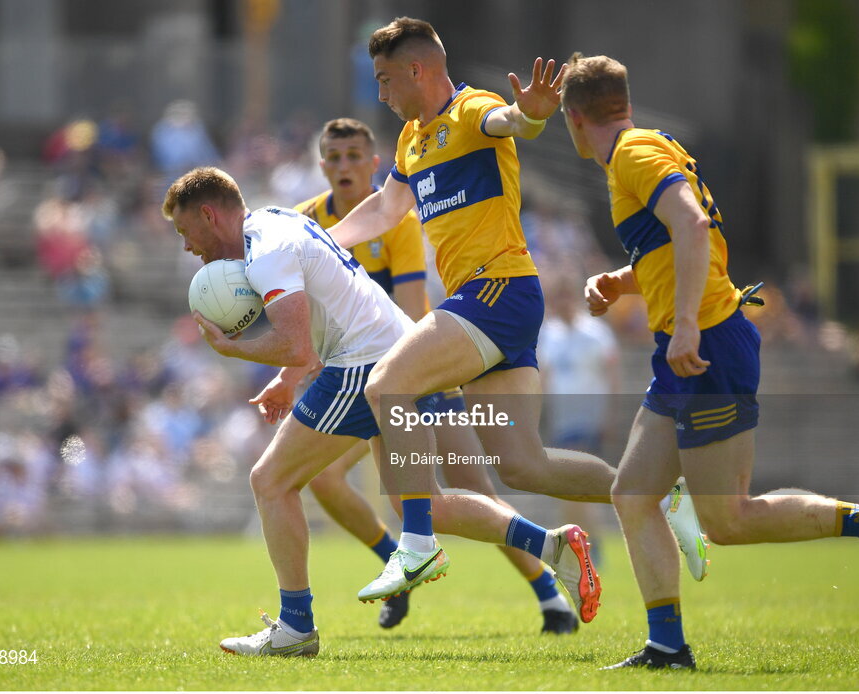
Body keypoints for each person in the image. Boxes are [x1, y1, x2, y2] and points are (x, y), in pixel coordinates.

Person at [558, 53, 859, 670]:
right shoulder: (646, 144)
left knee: (729, 519)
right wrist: (621, 283)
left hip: (703, 344)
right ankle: (667, 646)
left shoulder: (631, 155)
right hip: (684, 346)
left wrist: (681, 325)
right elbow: (671, 243)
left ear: (574, 117)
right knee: (632, 492)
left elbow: (694, 226)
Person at [327, 18, 706, 607]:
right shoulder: (411, 139)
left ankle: (417, 540)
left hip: (495, 293)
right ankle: (658, 491)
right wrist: (324, 239)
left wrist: (529, 112)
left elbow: (513, 121)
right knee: (521, 465)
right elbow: (383, 209)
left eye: (384, 79)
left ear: (417, 71)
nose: (380, 92)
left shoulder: (470, 108)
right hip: (494, 307)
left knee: (387, 386)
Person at [161, 167, 599, 658]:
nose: (186, 245)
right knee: (425, 506)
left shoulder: (266, 252)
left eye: (185, 231)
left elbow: (296, 343)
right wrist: (287, 378)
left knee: (271, 481)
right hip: (399, 352)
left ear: (207, 214)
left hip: (365, 365)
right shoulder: (274, 222)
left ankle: (295, 626)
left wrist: (232, 349)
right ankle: (553, 546)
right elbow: (312, 336)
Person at [295, 117, 579, 634]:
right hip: (360, 375)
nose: (344, 166)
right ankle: (396, 558)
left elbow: (408, 310)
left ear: (374, 163)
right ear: (321, 165)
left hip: (413, 368)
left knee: (469, 488)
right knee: (327, 478)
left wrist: (409, 376)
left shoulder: (395, 223)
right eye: (333, 158)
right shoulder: (307, 223)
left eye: (354, 156)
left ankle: (547, 592)